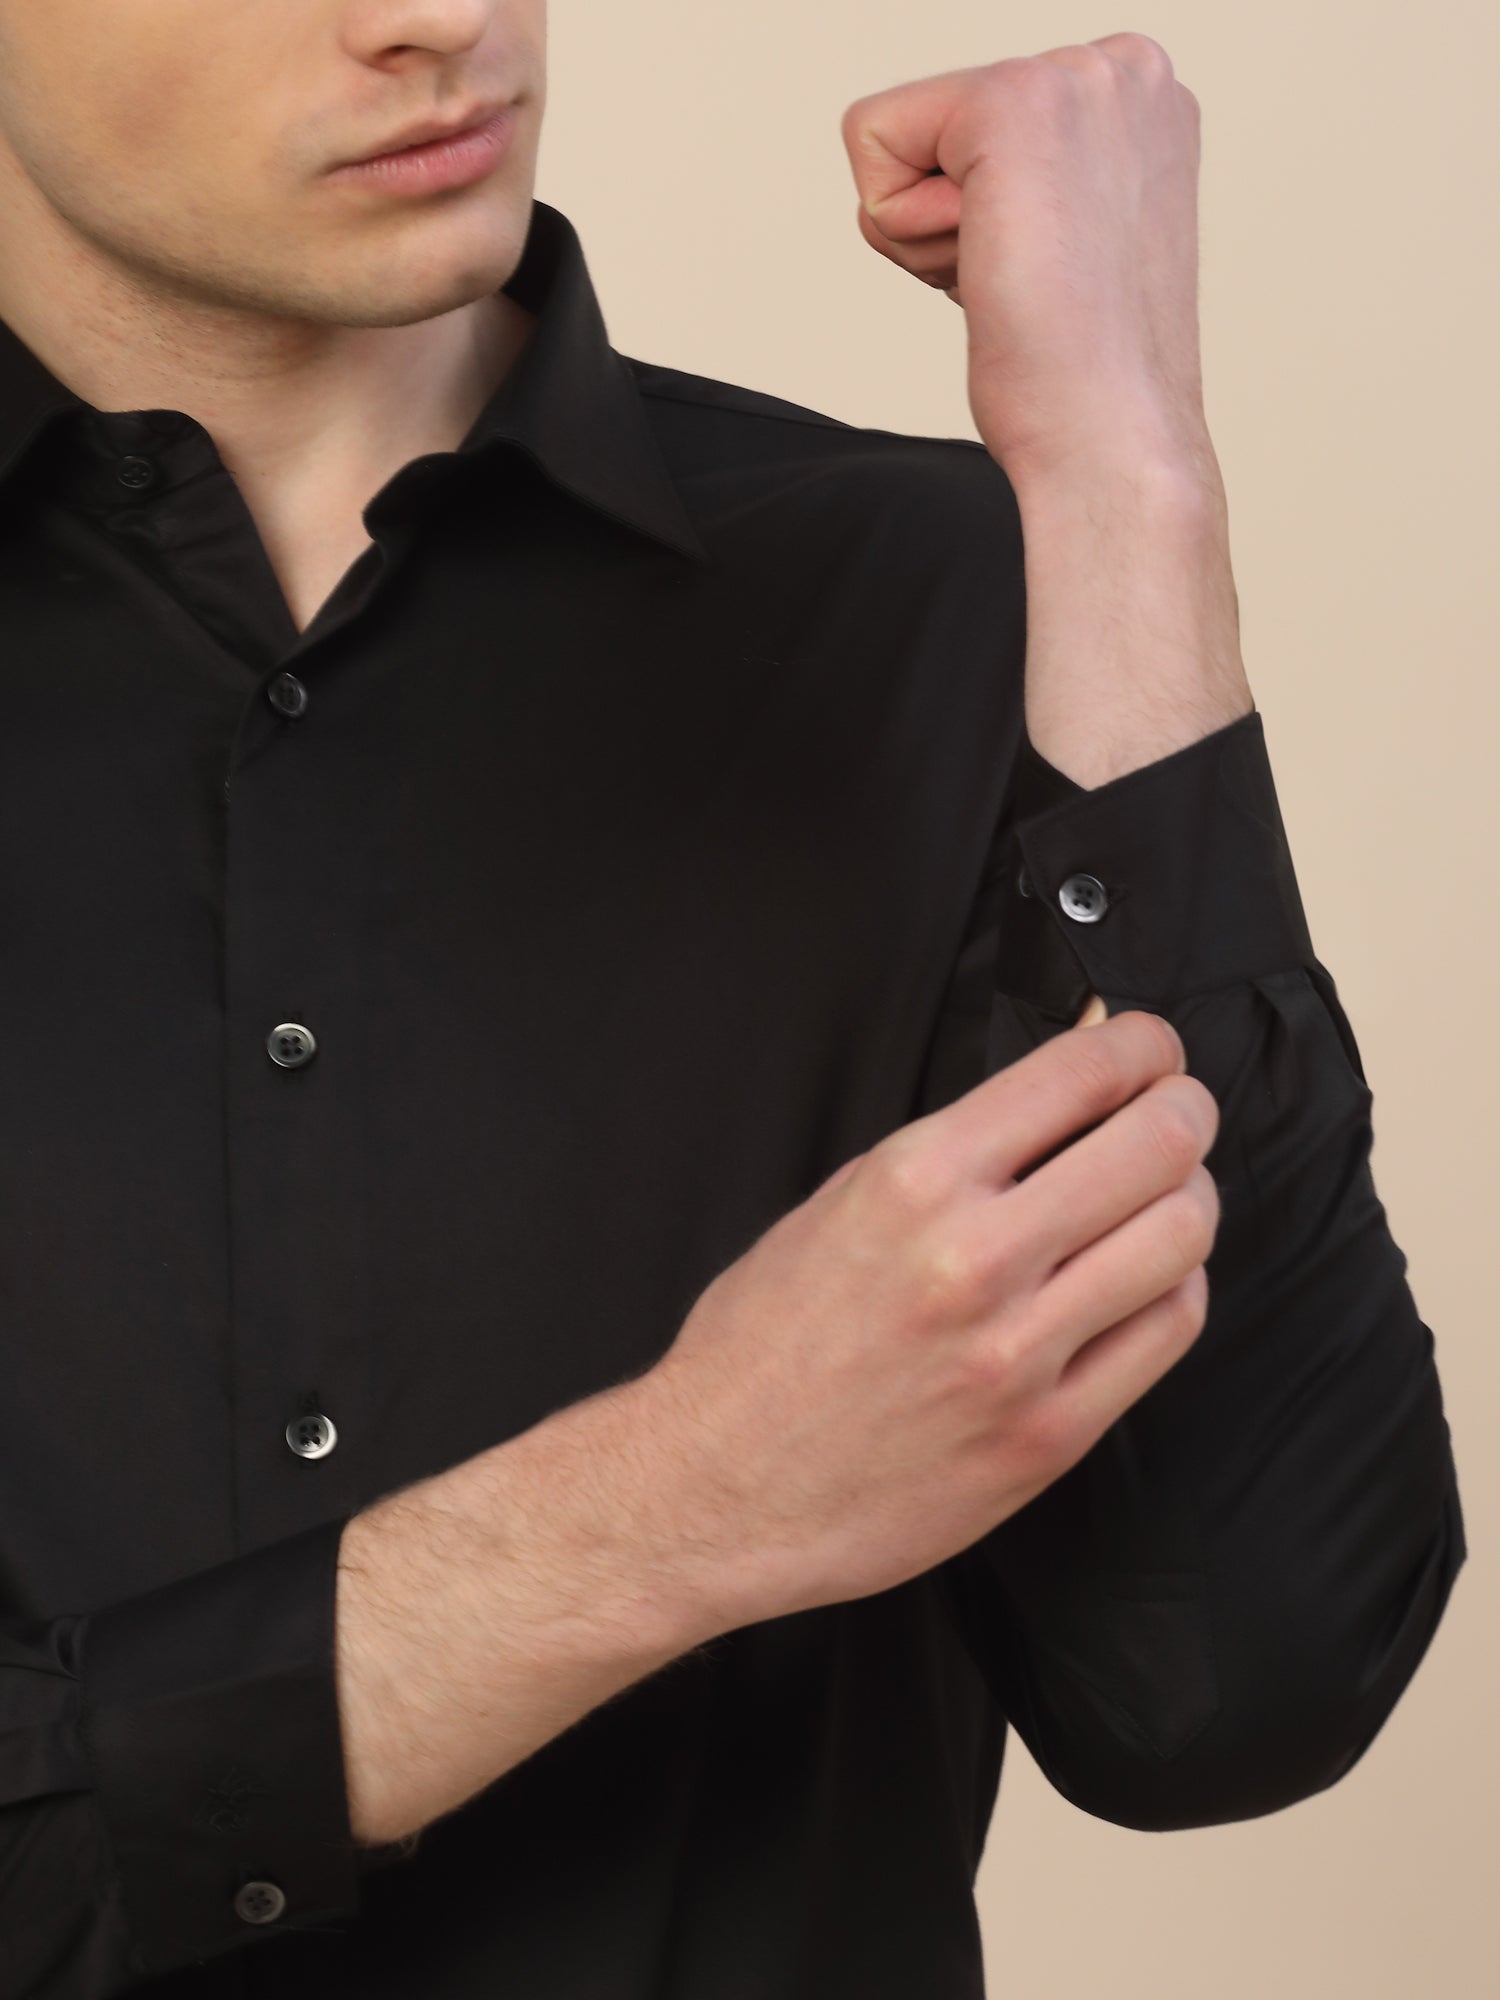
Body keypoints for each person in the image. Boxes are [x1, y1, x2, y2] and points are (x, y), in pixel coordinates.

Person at [0, 5, 1465, 1998]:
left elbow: (1234, 1691)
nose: (437, 15)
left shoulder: (949, 597)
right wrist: (665, 1507)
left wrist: (1125, 481)